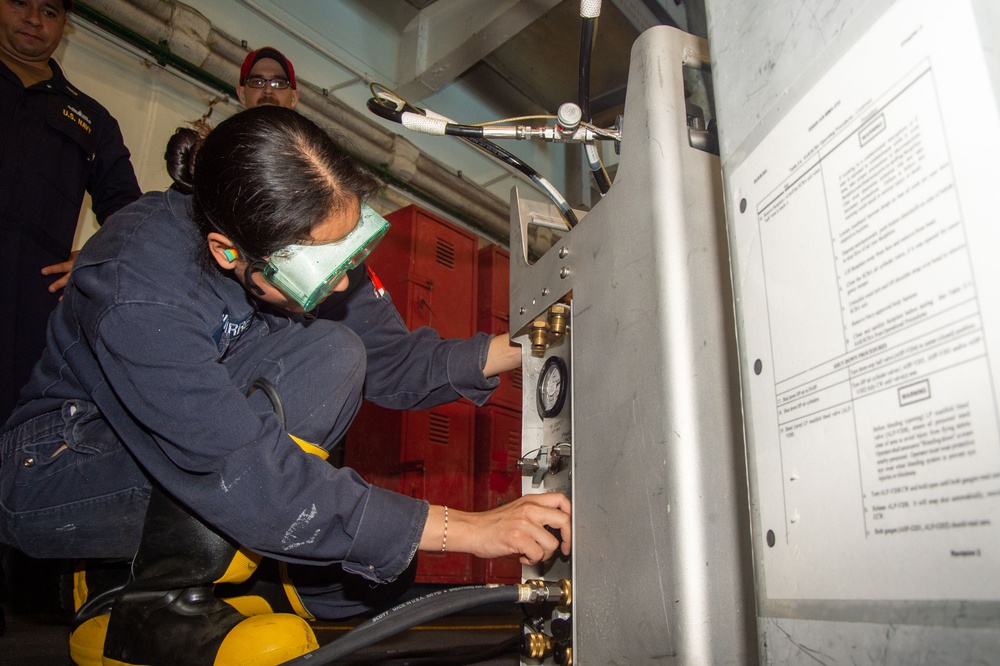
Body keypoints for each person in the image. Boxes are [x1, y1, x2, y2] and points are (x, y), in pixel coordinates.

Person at [0, 106, 571, 665]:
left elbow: (391, 361)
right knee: (299, 487)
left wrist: (535, 345)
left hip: (204, 456)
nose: (344, 280)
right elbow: (239, 467)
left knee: (333, 350)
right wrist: (469, 530)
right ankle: (150, 608)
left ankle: (230, 570)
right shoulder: (139, 287)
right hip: (62, 468)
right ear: (228, 252)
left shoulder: (305, 237)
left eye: (351, 249)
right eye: (321, 267)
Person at [0, 0, 142, 423]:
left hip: (24, 296)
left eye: (49, 11)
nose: (33, 19)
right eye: (20, 3)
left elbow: (129, 211)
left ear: (65, 25)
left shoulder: (91, 118)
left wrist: (97, 257)